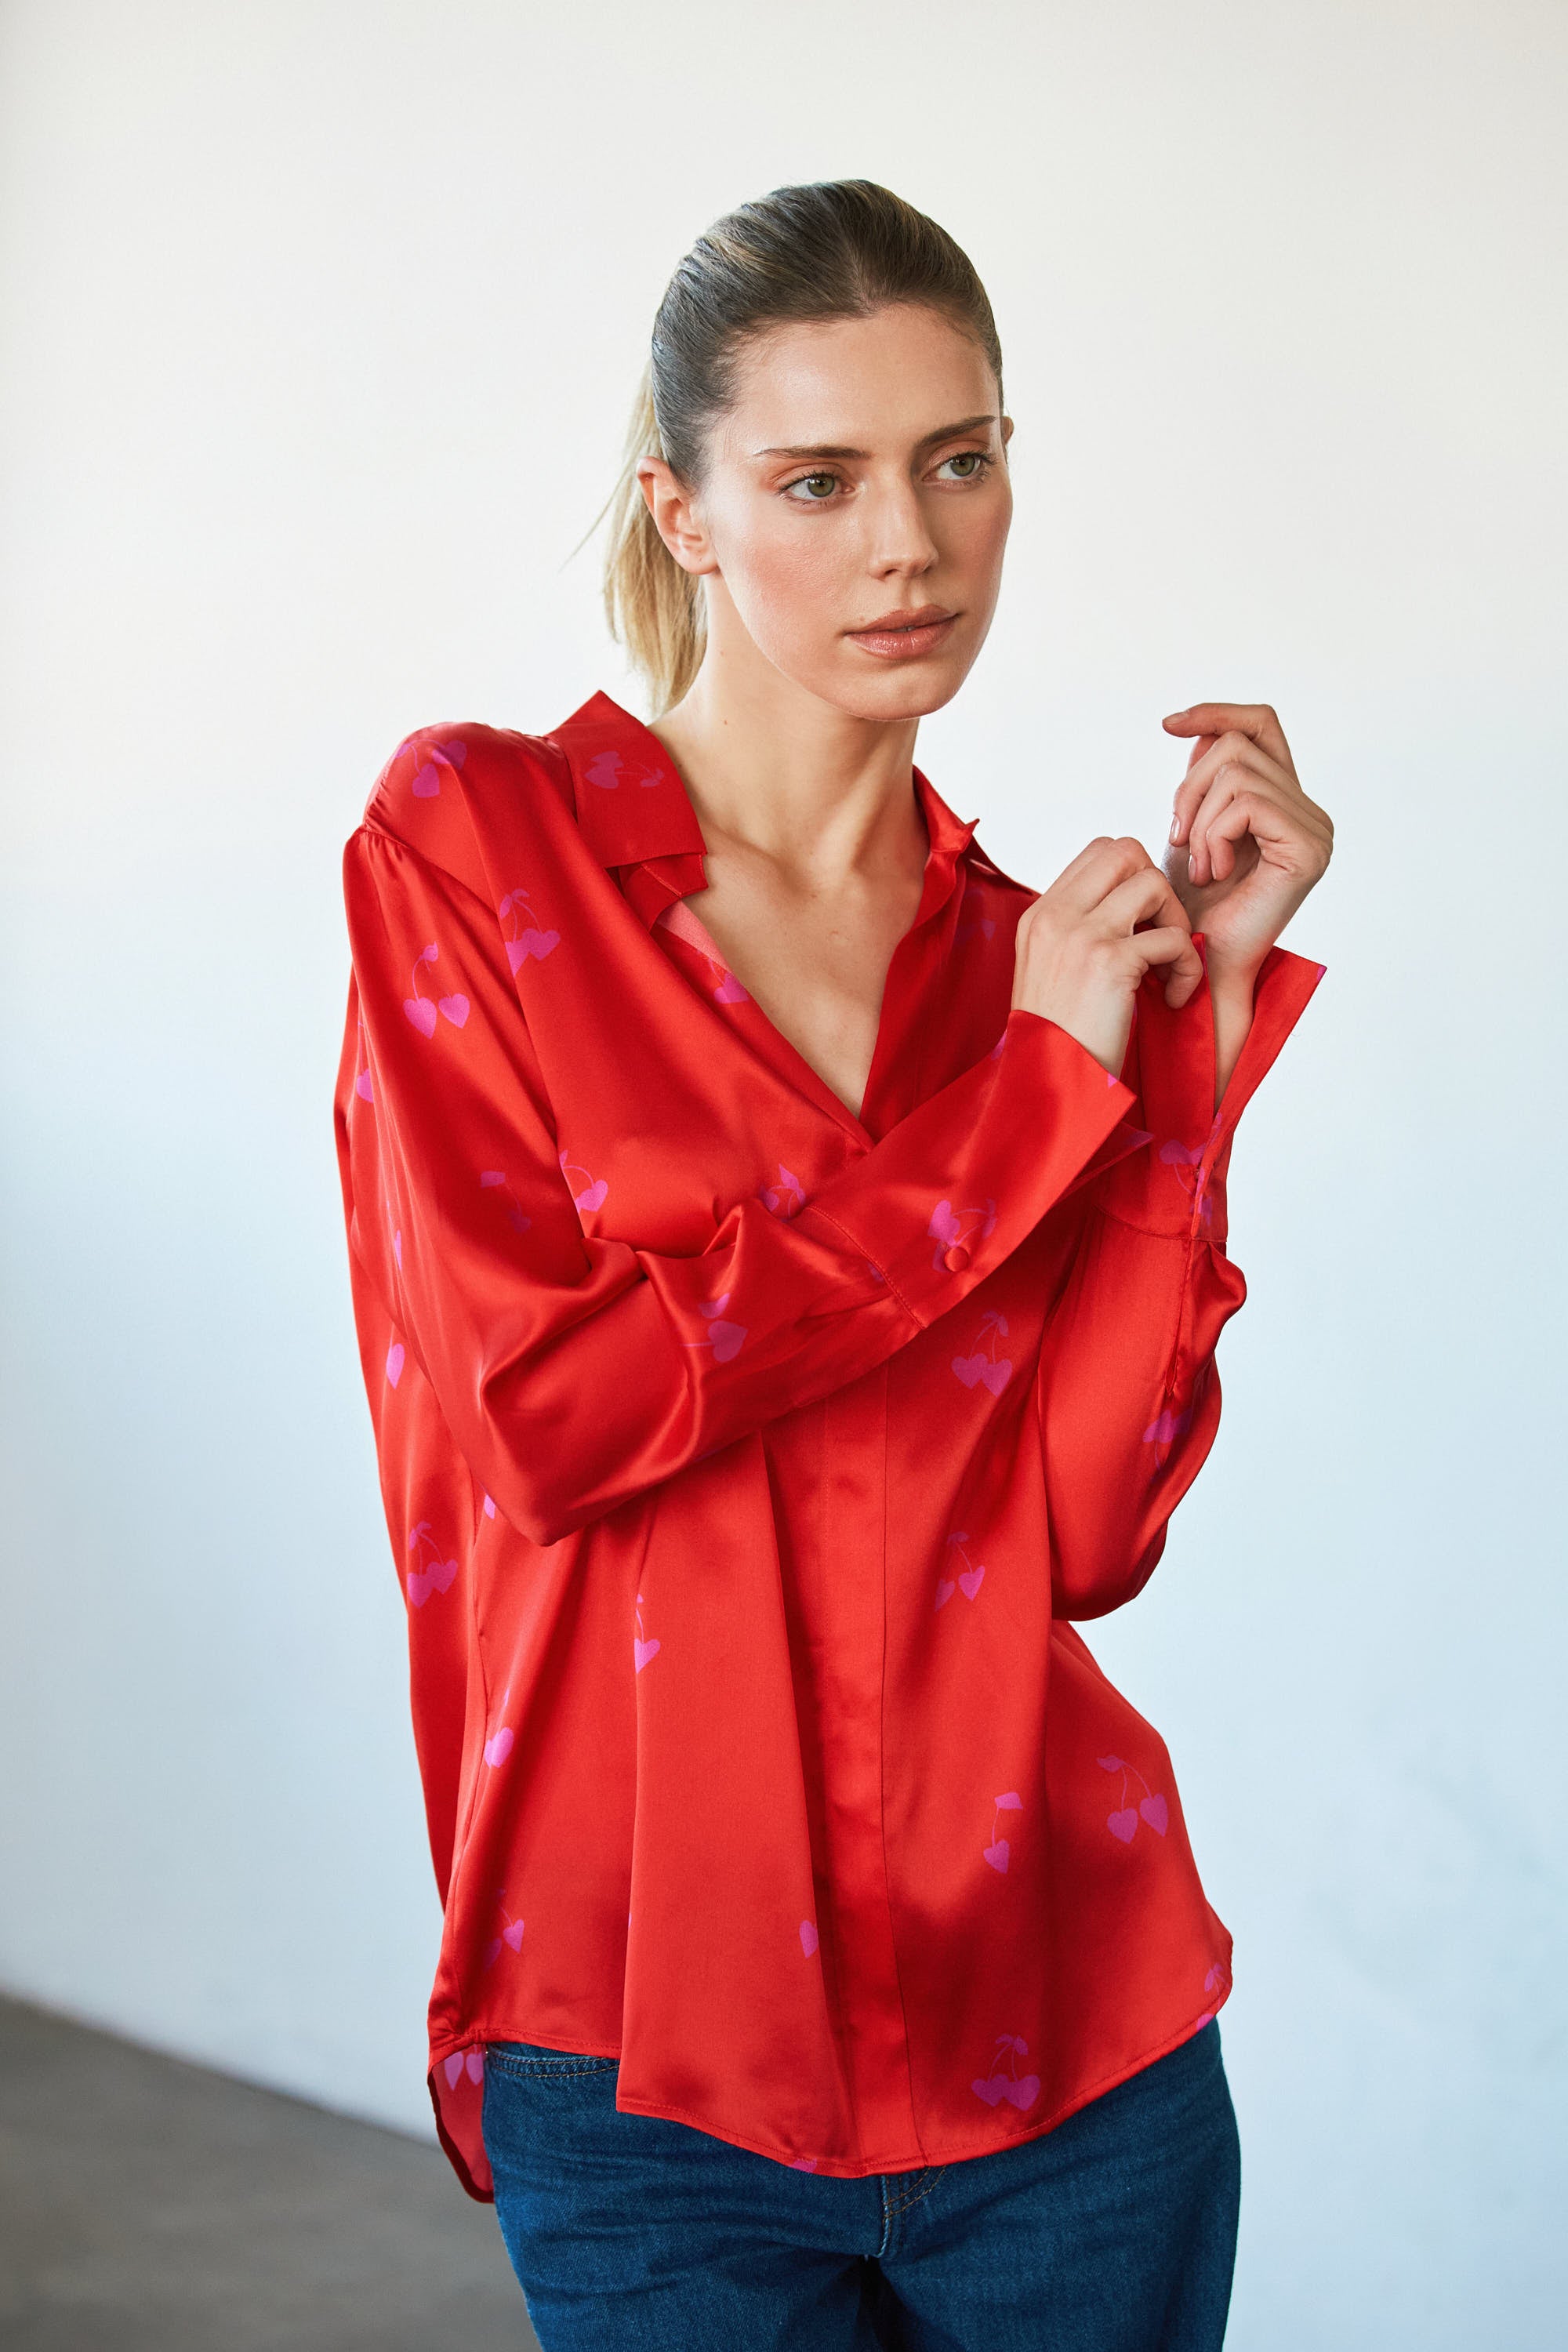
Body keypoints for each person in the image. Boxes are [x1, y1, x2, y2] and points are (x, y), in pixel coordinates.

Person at [332, 179, 1332, 2351]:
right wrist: (1032, 1114)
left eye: (958, 460)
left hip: (1073, 2044)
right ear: (682, 516)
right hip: (641, 2044)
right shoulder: (480, 851)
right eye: (821, 479)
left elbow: (1084, 1536)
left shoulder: (1031, 968)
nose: (911, 542)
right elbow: (551, 1415)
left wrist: (1187, 1066)